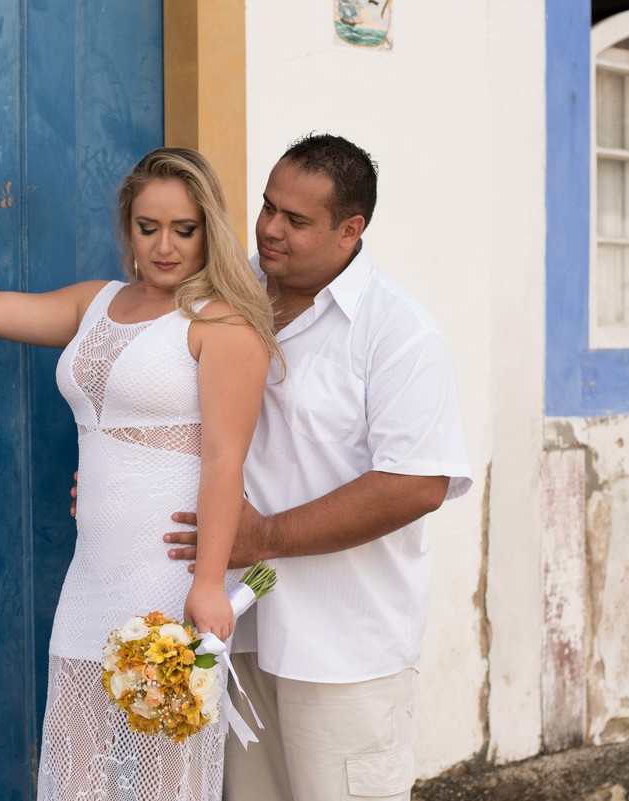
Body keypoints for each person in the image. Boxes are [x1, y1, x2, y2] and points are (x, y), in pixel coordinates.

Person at [0, 147, 276, 801]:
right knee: (80, 763)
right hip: (93, 573)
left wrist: (207, 584)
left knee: (160, 764)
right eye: (149, 228)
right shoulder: (99, 302)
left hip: (168, 574)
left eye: (184, 228)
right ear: (127, 227)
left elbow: (224, 458)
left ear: (209, 228)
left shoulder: (221, 323)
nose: (166, 246)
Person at [162, 134, 473, 801]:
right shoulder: (227, 294)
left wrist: (265, 537)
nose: (270, 228)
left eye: (296, 220)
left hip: (342, 650)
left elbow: (416, 482)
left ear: (349, 229)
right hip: (236, 633)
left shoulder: (397, 331)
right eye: (269, 206)